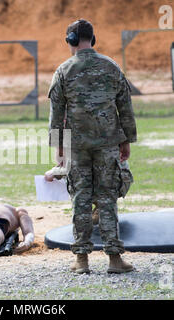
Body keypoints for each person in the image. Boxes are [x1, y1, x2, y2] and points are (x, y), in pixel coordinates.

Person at [48, 19, 137, 274]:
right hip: (108, 143)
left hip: (76, 147)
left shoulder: (63, 71)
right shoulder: (112, 67)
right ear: (92, 39)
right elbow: (125, 108)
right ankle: (114, 259)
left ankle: (82, 260)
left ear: (71, 41)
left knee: (80, 199)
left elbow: (56, 115)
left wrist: (59, 150)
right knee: (108, 199)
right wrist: (126, 140)